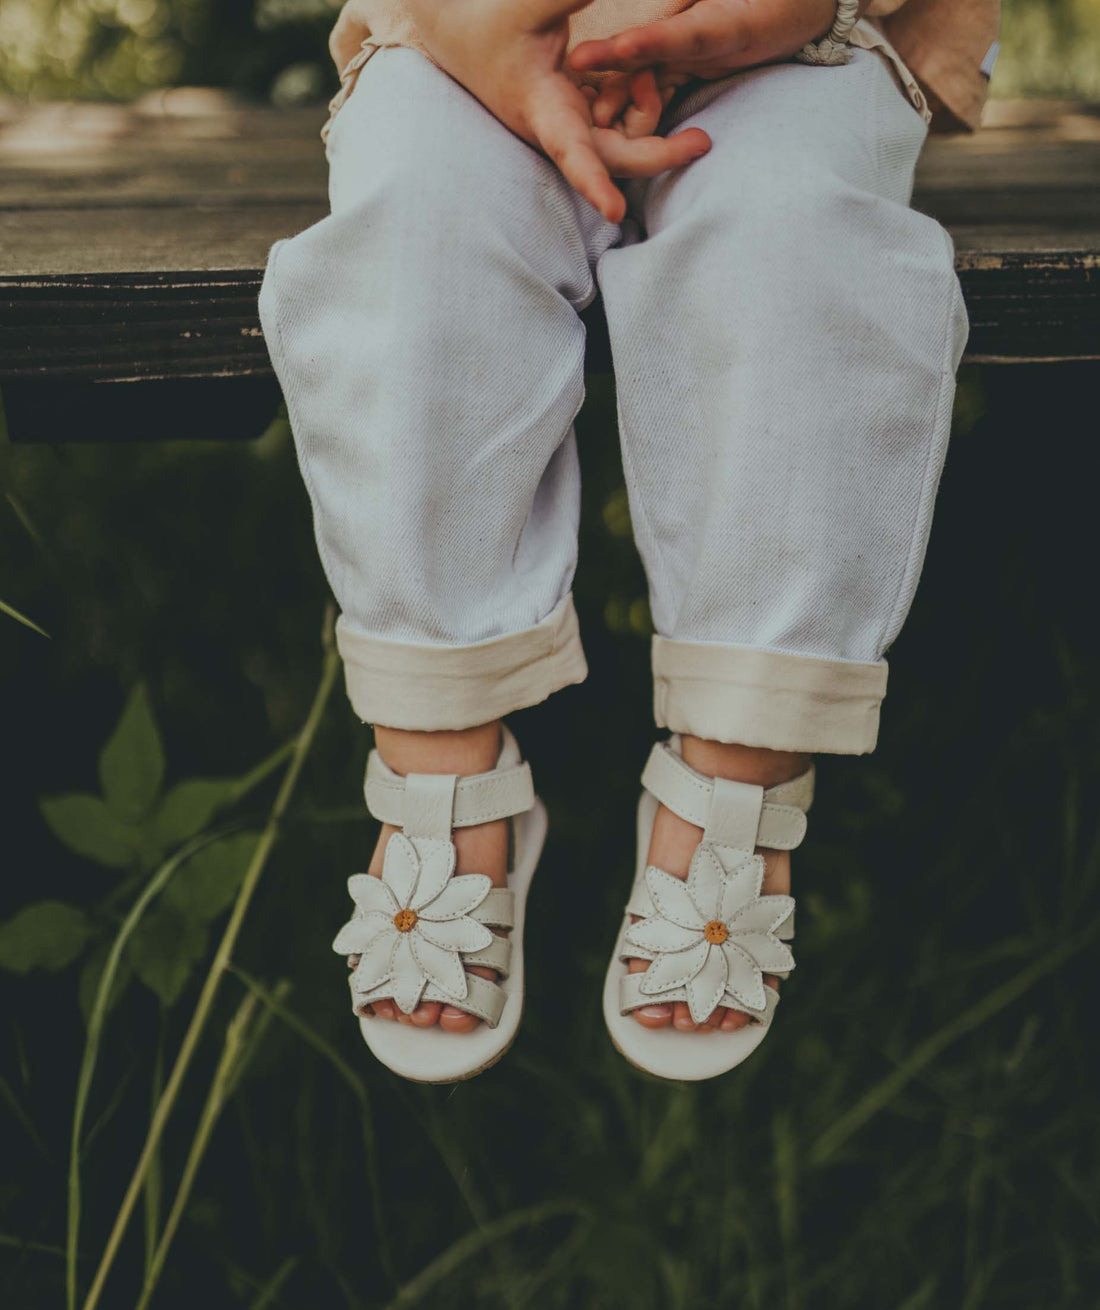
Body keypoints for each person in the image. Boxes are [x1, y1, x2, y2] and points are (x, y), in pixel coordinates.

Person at [259, 0, 1000, 1084]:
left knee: (791, 249)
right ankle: (439, 738)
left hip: (805, 34)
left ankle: (740, 749)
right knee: (415, 236)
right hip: (462, 27)